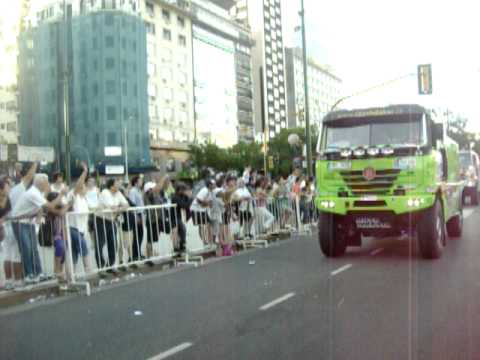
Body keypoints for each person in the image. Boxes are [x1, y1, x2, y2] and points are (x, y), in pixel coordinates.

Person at [10, 174, 66, 284]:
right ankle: (29, 275)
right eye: (46, 181)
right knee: (26, 248)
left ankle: (38, 273)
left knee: (33, 249)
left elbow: (42, 207)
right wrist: (61, 195)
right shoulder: (33, 193)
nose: (48, 184)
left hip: (28, 222)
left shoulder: (37, 193)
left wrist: (39, 216)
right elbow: (49, 206)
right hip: (19, 223)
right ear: (41, 183)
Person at [3, 162, 37, 289]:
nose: (11, 183)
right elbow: (28, 177)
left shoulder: (5, 195)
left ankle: (8, 281)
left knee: (7, 254)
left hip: (5, 225)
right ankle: (17, 281)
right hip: (14, 224)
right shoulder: (15, 191)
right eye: (9, 182)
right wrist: (35, 162)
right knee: (16, 254)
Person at [95, 178, 129, 274]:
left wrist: (119, 208)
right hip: (101, 220)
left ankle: (111, 265)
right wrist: (120, 208)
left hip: (111, 220)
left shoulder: (118, 193)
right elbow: (112, 207)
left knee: (113, 244)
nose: (119, 185)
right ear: (111, 186)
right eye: (117, 183)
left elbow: (127, 205)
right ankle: (100, 268)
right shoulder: (105, 192)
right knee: (100, 245)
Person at [66, 163, 91, 275]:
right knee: (83, 247)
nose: (86, 188)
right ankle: (88, 269)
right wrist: (85, 172)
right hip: (72, 228)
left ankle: (72, 273)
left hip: (81, 229)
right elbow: (78, 185)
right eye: (84, 186)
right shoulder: (73, 195)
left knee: (74, 252)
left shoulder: (84, 199)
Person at [190, 178, 215, 245]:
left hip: (203, 210)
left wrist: (209, 204)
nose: (214, 185)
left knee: (208, 224)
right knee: (202, 225)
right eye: (213, 184)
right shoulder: (205, 190)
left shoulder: (211, 192)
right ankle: (204, 241)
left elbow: (210, 203)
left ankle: (209, 240)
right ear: (209, 185)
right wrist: (207, 203)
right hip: (196, 209)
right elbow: (198, 199)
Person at [170, 182, 192, 254]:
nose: (184, 191)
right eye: (183, 190)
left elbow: (187, 205)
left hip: (178, 216)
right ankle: (178, 248)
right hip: (173, 217)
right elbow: (184, 205)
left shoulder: (183, 196)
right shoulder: (175, 197)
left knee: (181, 231)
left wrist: (188, 198)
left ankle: (181, 246)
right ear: (179, 190)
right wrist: (189, 198)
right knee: (180, 230)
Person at [128, 175, 145, 262]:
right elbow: (132, 204)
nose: (141, 182)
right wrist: (136, 217)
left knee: (140, 235)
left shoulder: (139, 191)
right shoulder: (133, 191)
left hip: (141, 214)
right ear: (136, 182)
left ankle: (138, 253)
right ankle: (135, 254)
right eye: (140, 181)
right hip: (137, 215)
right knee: (137, 235)